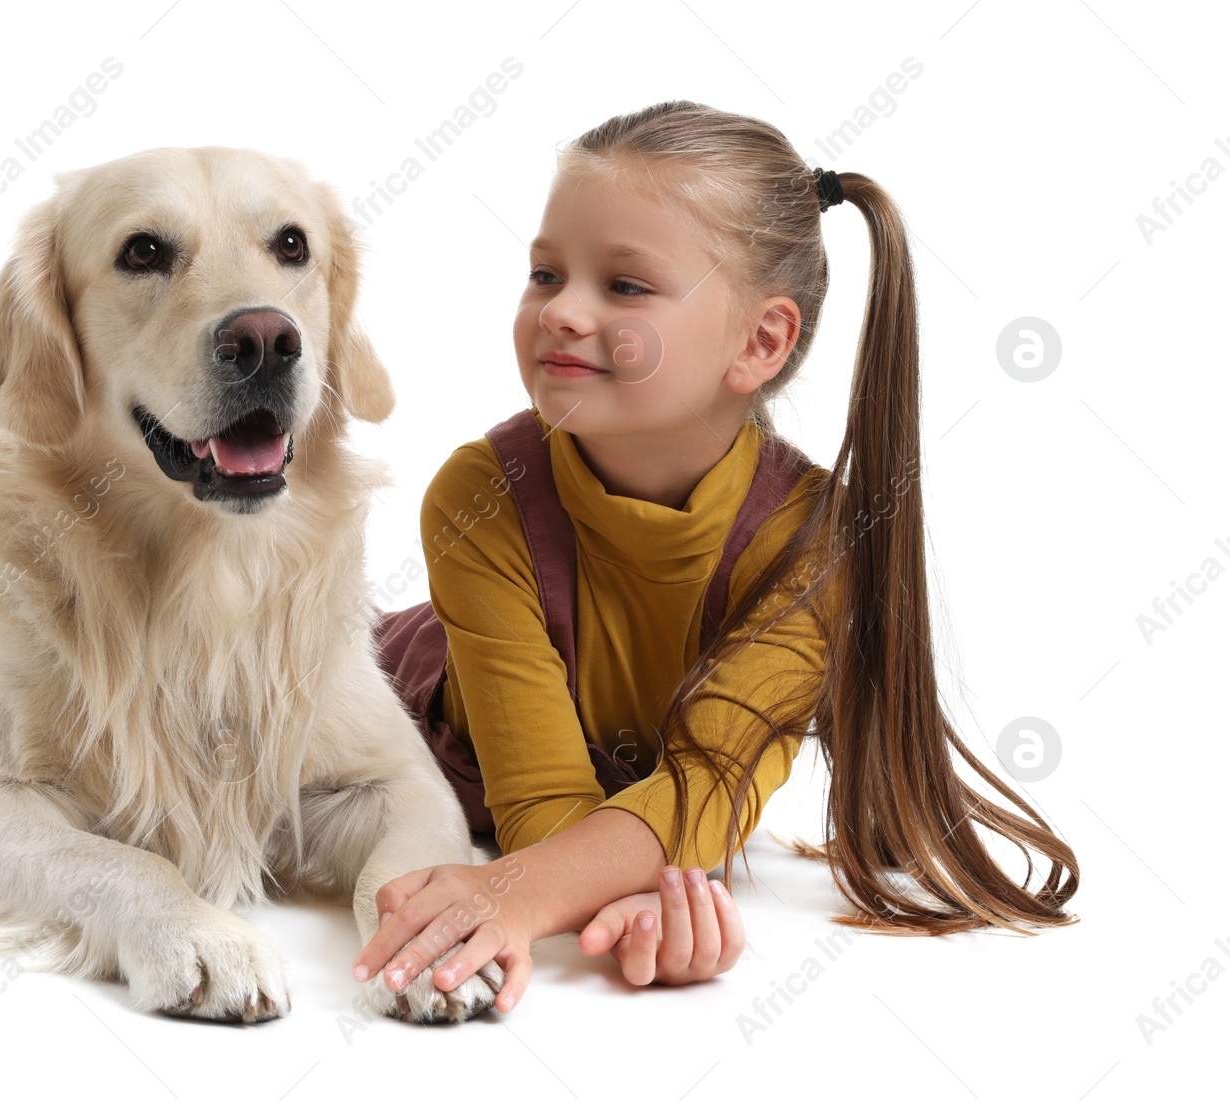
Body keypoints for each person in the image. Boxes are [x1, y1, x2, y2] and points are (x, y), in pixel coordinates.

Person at [353, 100, 1079, 1015]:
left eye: (624, 287)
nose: (562, 311)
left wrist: (630, 897)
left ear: (760, 341)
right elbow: (541, 801)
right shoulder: (478, 498)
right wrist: (618, 893)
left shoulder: (816, 546)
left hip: (626, 820)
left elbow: (709, 783)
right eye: (546, 273)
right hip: (404, 731)